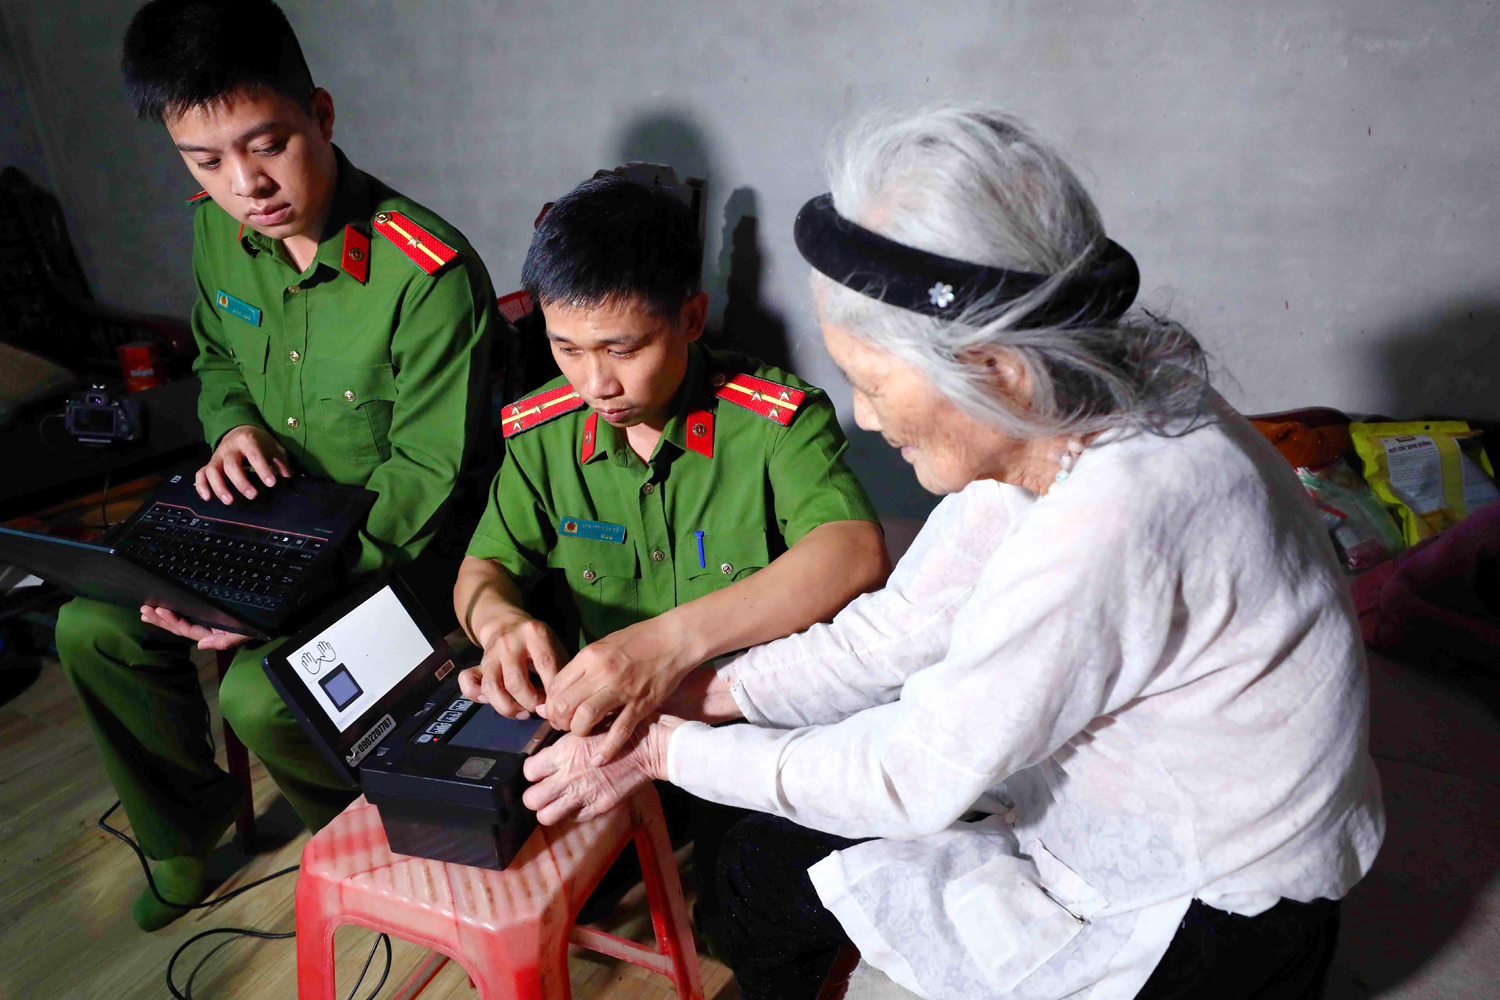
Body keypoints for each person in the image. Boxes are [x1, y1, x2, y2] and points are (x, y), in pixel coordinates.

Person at [518, 107, 1386, 1000]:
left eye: (869, 383)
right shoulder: (1062, 410)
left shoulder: (1115, 515)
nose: (862, 417)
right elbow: (897, 631)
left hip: (1221, 908)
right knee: (754, 873)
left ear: (994, 368)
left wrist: (660, 753)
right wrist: (692, 695)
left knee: (795, 861)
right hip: (1120, 810)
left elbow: (907, 773)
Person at [57, 0, 497, 931]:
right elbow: (219, 359)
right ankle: (182, 834)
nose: (245, 185)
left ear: (321, 115)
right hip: (268, 526)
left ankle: (377, 859)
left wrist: (266, 601)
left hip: (397, 557)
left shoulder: (427, 271)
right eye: (205, 162)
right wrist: (230, 432)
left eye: (267, 146)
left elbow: (426, 479)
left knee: (264, 697)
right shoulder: (217, 231)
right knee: (92, 626)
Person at [452, 175, 889, 901]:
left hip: (743, 723)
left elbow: (853, 549)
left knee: (744, 900)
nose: (596, 382)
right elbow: (483, 569)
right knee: (538, 879)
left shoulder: (773, 422)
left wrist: (665, 646)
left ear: (690, 317)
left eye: (622, 349)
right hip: (609, 725)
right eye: (567, 349)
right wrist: (500, 627)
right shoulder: (543, 433)